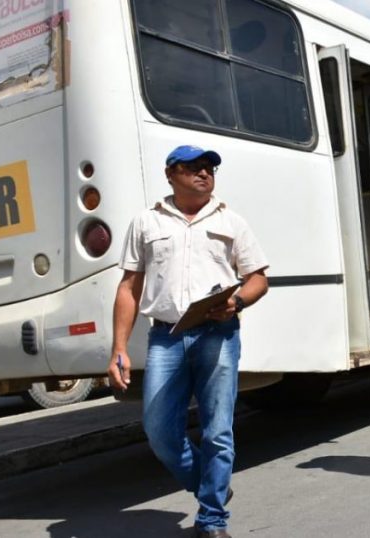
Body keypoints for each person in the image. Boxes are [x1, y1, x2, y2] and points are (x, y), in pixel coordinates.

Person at [108, 145, 269, 538]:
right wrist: (118, 349)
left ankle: (212, 519)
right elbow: (129, 288)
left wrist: (236, 302)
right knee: (160, 432)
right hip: (166, 337)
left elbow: (258, 279)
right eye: (193, 167)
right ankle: (212, 486)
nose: (204, 173)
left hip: (218, 334)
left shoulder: (231, 220)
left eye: (209, 167)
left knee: (218, 431)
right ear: (170, 174)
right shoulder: (146, 222)